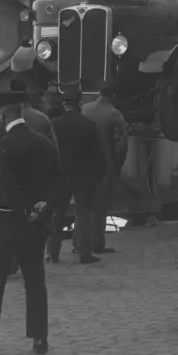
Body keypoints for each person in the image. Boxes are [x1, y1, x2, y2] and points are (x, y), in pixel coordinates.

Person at [0, 89, 63, 355]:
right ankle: (40, 337)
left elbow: (6, 186)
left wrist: (23, 207)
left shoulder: (4, 146)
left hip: (4, 225)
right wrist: (43, 206)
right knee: (35, 282)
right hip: (35, 226)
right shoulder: (44, 143)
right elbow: (57, 182)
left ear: (1, 114)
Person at [49, 81, 106, 265]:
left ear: (64, 104)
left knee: (57, 215)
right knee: (83, 215)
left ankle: (53, 254)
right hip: (83, 177)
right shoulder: (87, 124)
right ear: (79, 103)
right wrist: (99, 175)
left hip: (60, 176)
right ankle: (84, 254)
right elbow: (98, 153)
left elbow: (50, 151)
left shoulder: (54, 125)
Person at [82, 78, 128, 256]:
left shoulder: (85, 109)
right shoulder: (115, 115)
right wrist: (116, 166)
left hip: (83, 166)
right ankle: (96, 244)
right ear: (114, 95)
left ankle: (80, 243)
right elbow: (121, 145)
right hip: (104, 167)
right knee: (99, 208)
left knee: (83, 207)